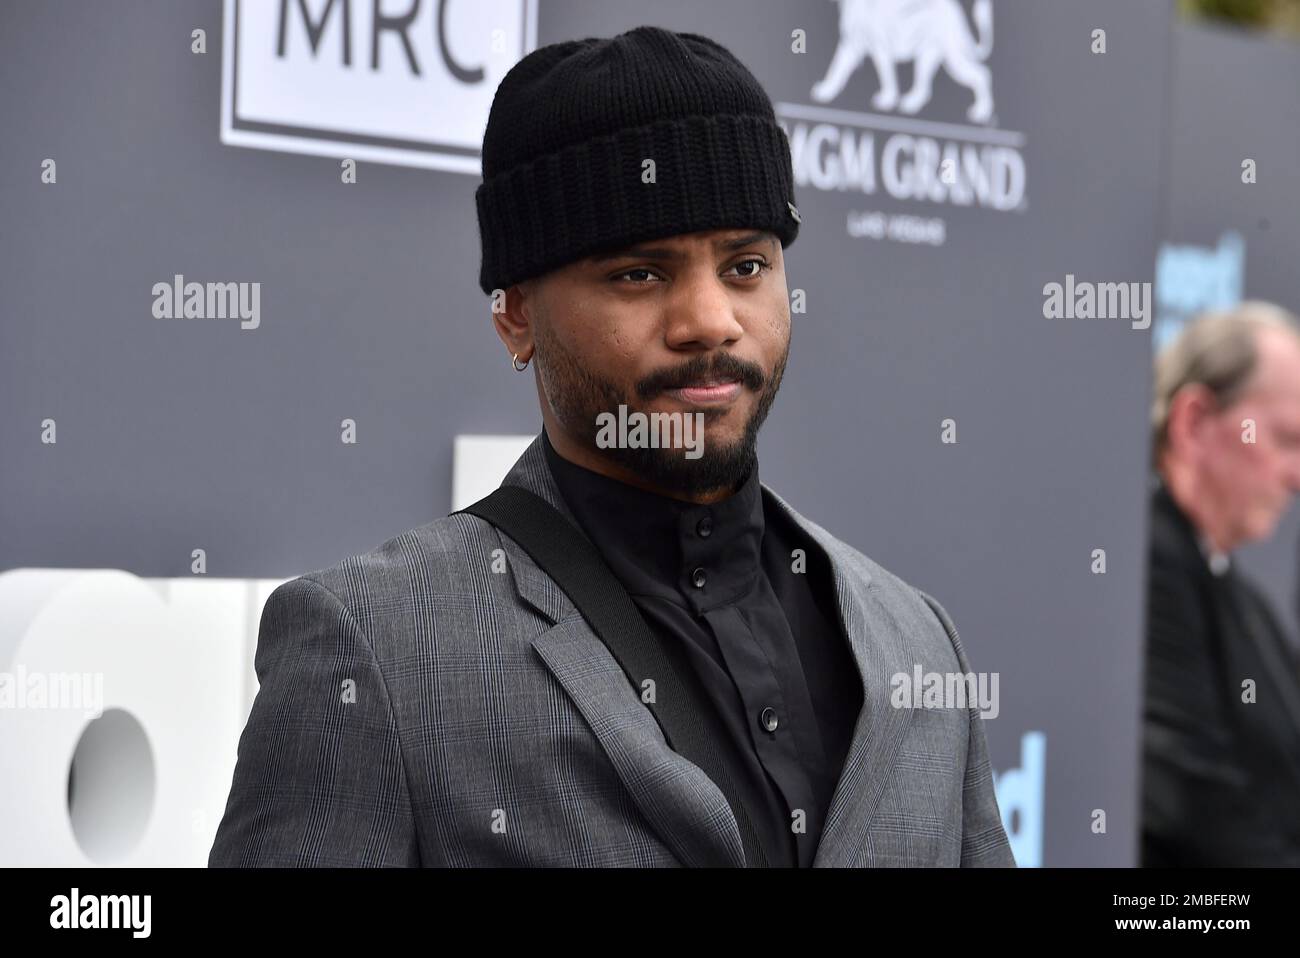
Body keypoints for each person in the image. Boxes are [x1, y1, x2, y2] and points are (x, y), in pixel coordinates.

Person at [209, 25, 1012, 868]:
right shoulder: (376, 648)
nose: (710, 319)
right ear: (517, 312)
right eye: (639, 273)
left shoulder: (915, 641)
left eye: (745, 266)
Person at [1142, 302, 1300, 866]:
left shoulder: (1241, 595)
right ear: (1193, 423)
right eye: (1285, 439)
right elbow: (1188, 797)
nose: (1297, 475)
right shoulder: (1143, 574)